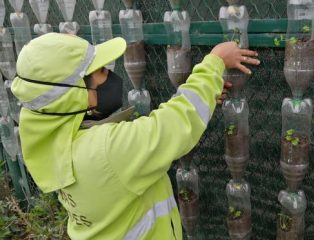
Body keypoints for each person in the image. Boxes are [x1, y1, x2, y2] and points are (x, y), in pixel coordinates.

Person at [11, 33, 259, 239]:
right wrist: (214, 63)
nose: (109, 74)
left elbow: (137, 138)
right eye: (99, 71)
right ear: (72, 94)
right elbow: (173, 126)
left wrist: (204, 93)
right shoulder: (107, 151)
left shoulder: (54, 144)